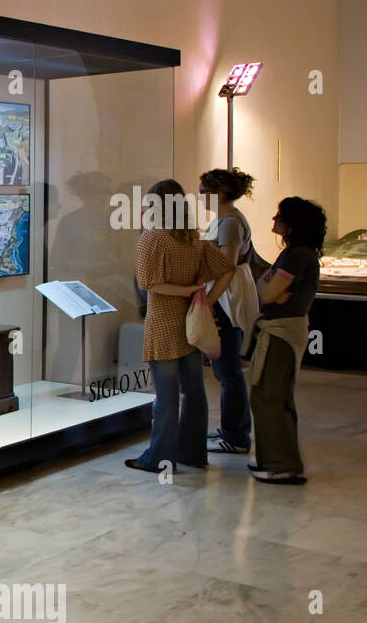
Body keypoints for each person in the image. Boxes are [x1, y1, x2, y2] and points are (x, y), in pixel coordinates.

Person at [127, 179, 235, 475]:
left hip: (163, 322)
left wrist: (187, 291)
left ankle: (159, 458)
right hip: (191, 321)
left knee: (166, 396)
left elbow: (148, 283)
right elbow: (228, 269)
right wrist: (206, 298)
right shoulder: (193, 238)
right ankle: (193, 453)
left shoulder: (152, 238)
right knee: (195, 391)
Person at [249, 197, 326, 484]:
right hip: (282, 330)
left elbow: (266, 293)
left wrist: (269, 286)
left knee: (270, 395)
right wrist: (268, 286)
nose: (274, 219)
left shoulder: (296, 256)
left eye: (279, 215)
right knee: (273, 395)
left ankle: (281, 464)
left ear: (293, 223)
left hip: (281, 333)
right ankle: (275, 459)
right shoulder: (298, 254)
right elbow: (264, 288)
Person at [198, 168, 259, 454]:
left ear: (219, 193)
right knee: (226, 370)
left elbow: (226, 266)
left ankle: (236, 435)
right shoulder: (225, 220)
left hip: (226, 299)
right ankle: (232, 429)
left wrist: (209, 300)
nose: (199, 195)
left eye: (203, 190)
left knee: (227, 370)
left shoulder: (230, 223)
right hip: (224, 296)